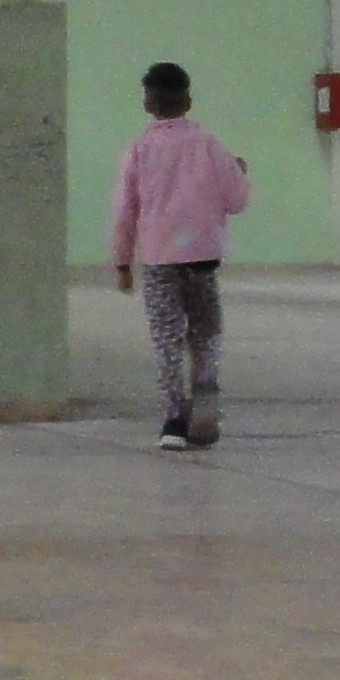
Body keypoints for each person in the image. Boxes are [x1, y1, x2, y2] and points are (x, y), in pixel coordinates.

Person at [108, 61, 253, 450]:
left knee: (166, 337)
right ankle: (205, 401)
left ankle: (173, 420)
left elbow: (125, 210)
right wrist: (239, 171)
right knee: (205, 332)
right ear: (189, 101)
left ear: (147, 104)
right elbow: (237, 200)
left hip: (159, 260)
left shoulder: (138, 150)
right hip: (203, 257)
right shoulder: (209, 145)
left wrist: (122, 262)